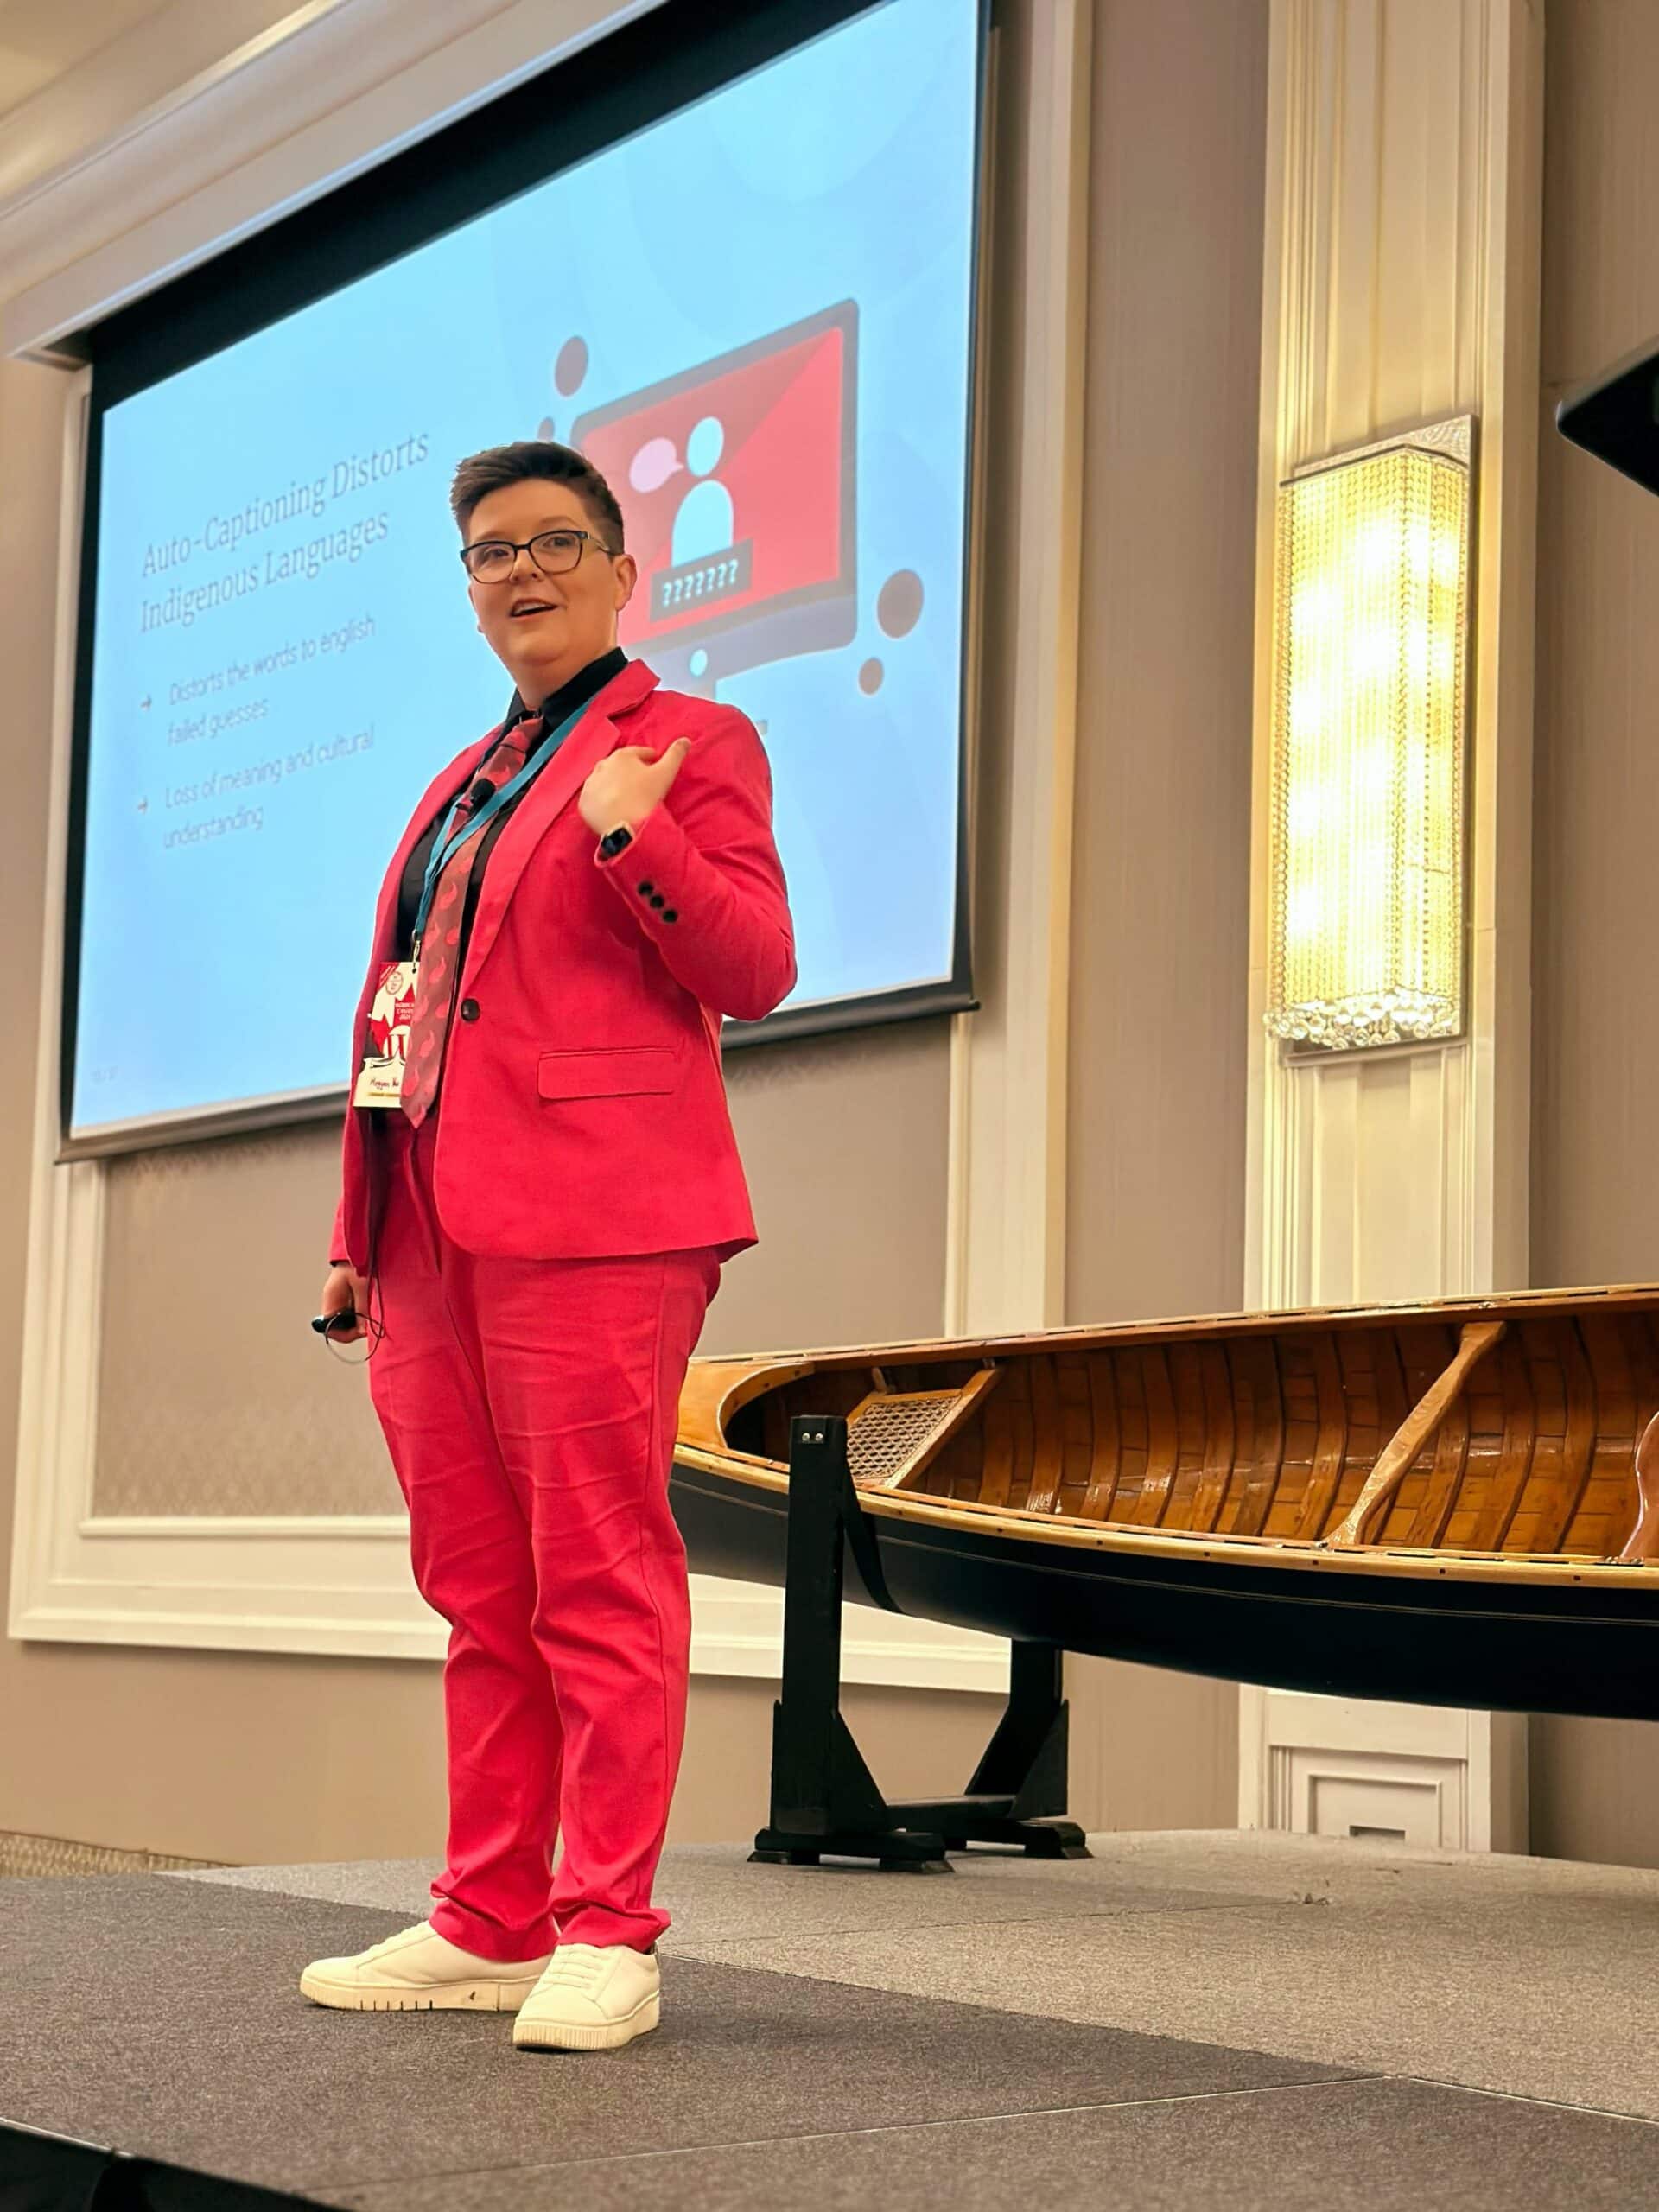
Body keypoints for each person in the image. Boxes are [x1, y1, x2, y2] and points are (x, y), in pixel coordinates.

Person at [298, 438, 795, 2051]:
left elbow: (758, 966)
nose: (520, 571)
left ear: (620, 567)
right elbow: (406, 1010)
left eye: (553, 543)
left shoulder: (691, 741)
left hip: (599, 1216)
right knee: (475, 1585)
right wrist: (357, 1223)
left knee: (597, 1570)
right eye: (490, 553)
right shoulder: (455, 783)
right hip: (427, 1224)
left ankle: (610, 1927)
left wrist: (631, 839)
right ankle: (492, 1915)